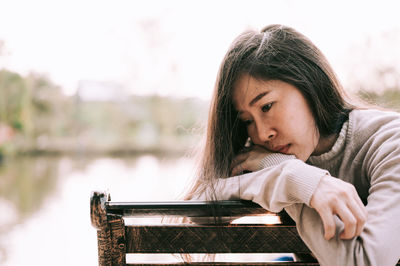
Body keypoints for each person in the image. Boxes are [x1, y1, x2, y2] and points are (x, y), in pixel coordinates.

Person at [185, 24, 400, 265]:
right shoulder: (267, 156)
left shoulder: (392, 142)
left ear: (309, 84)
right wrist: (294, 177)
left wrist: (295, 178)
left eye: (266, 106)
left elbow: (366, 262)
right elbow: (197, 210)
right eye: (247, 121)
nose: (262, 133)